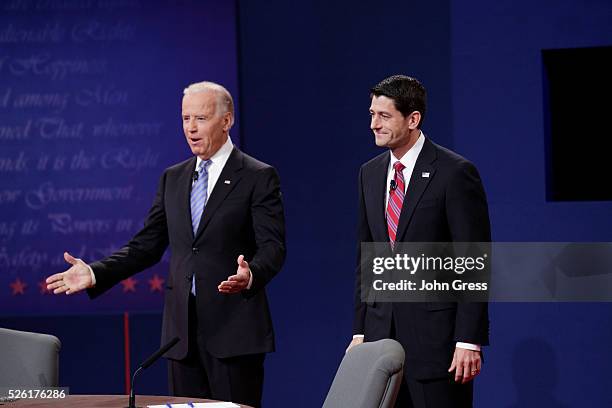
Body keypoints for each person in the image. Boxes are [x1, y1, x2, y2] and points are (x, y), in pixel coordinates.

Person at [46, 81, 286, 408]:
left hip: (234, 334)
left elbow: (273, 248)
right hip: (181, 336)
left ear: (227, 120)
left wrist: (251, 275)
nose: (190, 128)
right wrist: (96, 272)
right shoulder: (173, 178)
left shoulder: (258, 176)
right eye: (185, 118)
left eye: (200, 118)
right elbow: (146, 246)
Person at [346, 75, 490, 408]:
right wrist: (360, 331)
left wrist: (468, 339)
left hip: (436, 343)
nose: (373, 124)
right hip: (381, 342)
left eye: (384, 116)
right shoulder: (369, 173)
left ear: (413, 119)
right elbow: (367, 259)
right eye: (371, 114)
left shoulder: (454, 172)